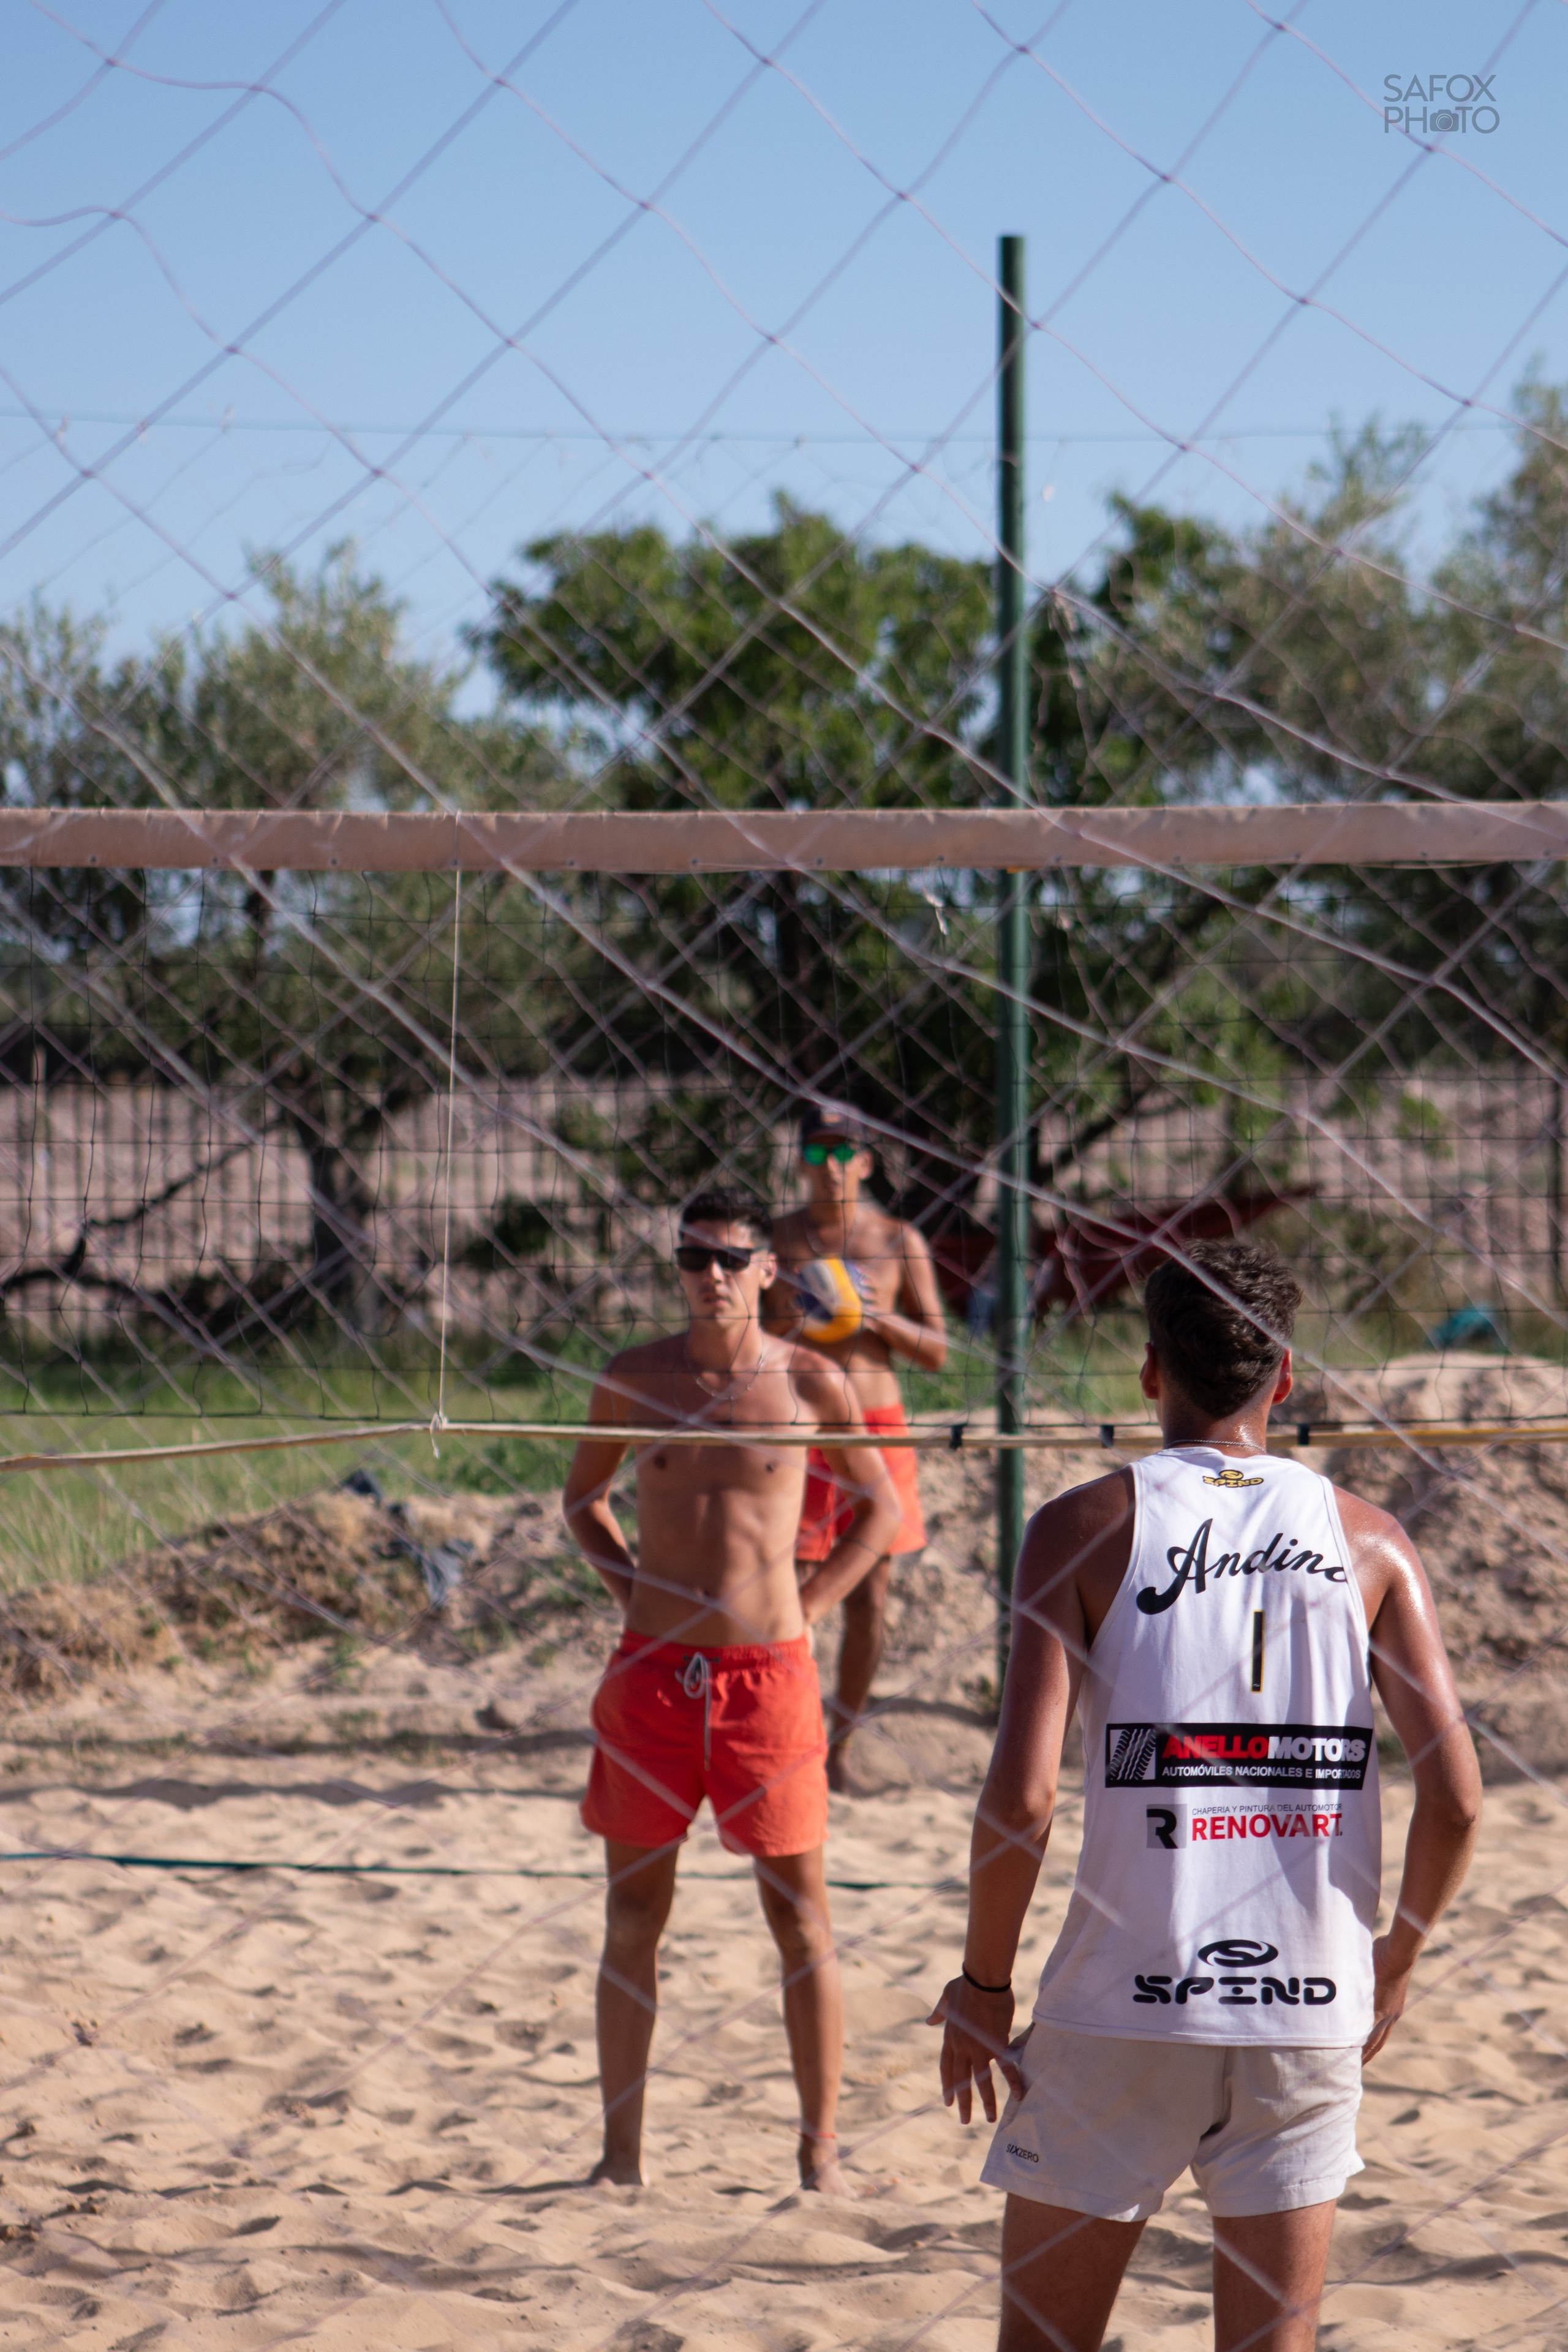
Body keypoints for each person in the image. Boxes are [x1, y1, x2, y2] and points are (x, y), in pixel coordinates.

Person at [930, 1240, 1481, 2352]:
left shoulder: (1081, 1527)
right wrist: (1397, 1959)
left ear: (1148, 1371)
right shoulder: (1371, 1540)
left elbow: (1024, 1796)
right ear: (1283, 1376)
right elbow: (1459, 1798)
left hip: (1121, 2002)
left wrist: (982, 1984)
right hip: (1308, 2003)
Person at [563, 1185, 902, 2196]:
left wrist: (810, 1602)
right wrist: (634, 1591)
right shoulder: (635, 1378)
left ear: (768, 1268)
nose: (708, 1275)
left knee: (801, 1919)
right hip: (654, 1677)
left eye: (729, 1258)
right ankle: (620, 2160)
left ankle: (819, 2153)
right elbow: (581, 1499)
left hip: (770, 1682)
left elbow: (878, 1509)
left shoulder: (807, 1381)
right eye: (691, 1257)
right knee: (633, 1917)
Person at [764, 1104, 949, 1790]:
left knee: (869, 1596)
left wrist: (878, 1318)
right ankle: (788, 1738)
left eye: (843, 1153)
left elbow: (936, 1351)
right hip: (800, 1425)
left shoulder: (899, 1239)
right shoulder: (778, 1239)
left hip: (877, 1425)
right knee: (785, 1587)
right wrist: (788, 1313)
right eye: (816, 1153)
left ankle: (838, 1747)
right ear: (801, 1161)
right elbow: (747, 1338)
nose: (830, 1165)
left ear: (866, 1162)